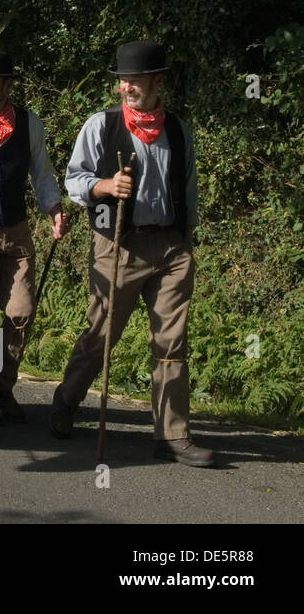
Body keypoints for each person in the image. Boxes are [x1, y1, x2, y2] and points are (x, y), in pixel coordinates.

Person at [51, 41, 212, 467]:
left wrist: (187, 236)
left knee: (172, 340)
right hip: (118, 243)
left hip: (172, 246)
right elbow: (74, 180)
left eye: (134, 80)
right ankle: (67, 398)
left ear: (157, 81)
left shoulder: (178, 129)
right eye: (122, 80)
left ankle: (173, 434)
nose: (126, 87)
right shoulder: (100, 126)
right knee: (101, 334)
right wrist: (105, 187)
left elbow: (189, 186)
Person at [0, 51, 67, 425]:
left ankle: (1, 388)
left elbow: (42, 173)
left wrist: (53, 208)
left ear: (7, 85)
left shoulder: (29, 124)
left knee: (21, 313)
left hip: (17, 232)